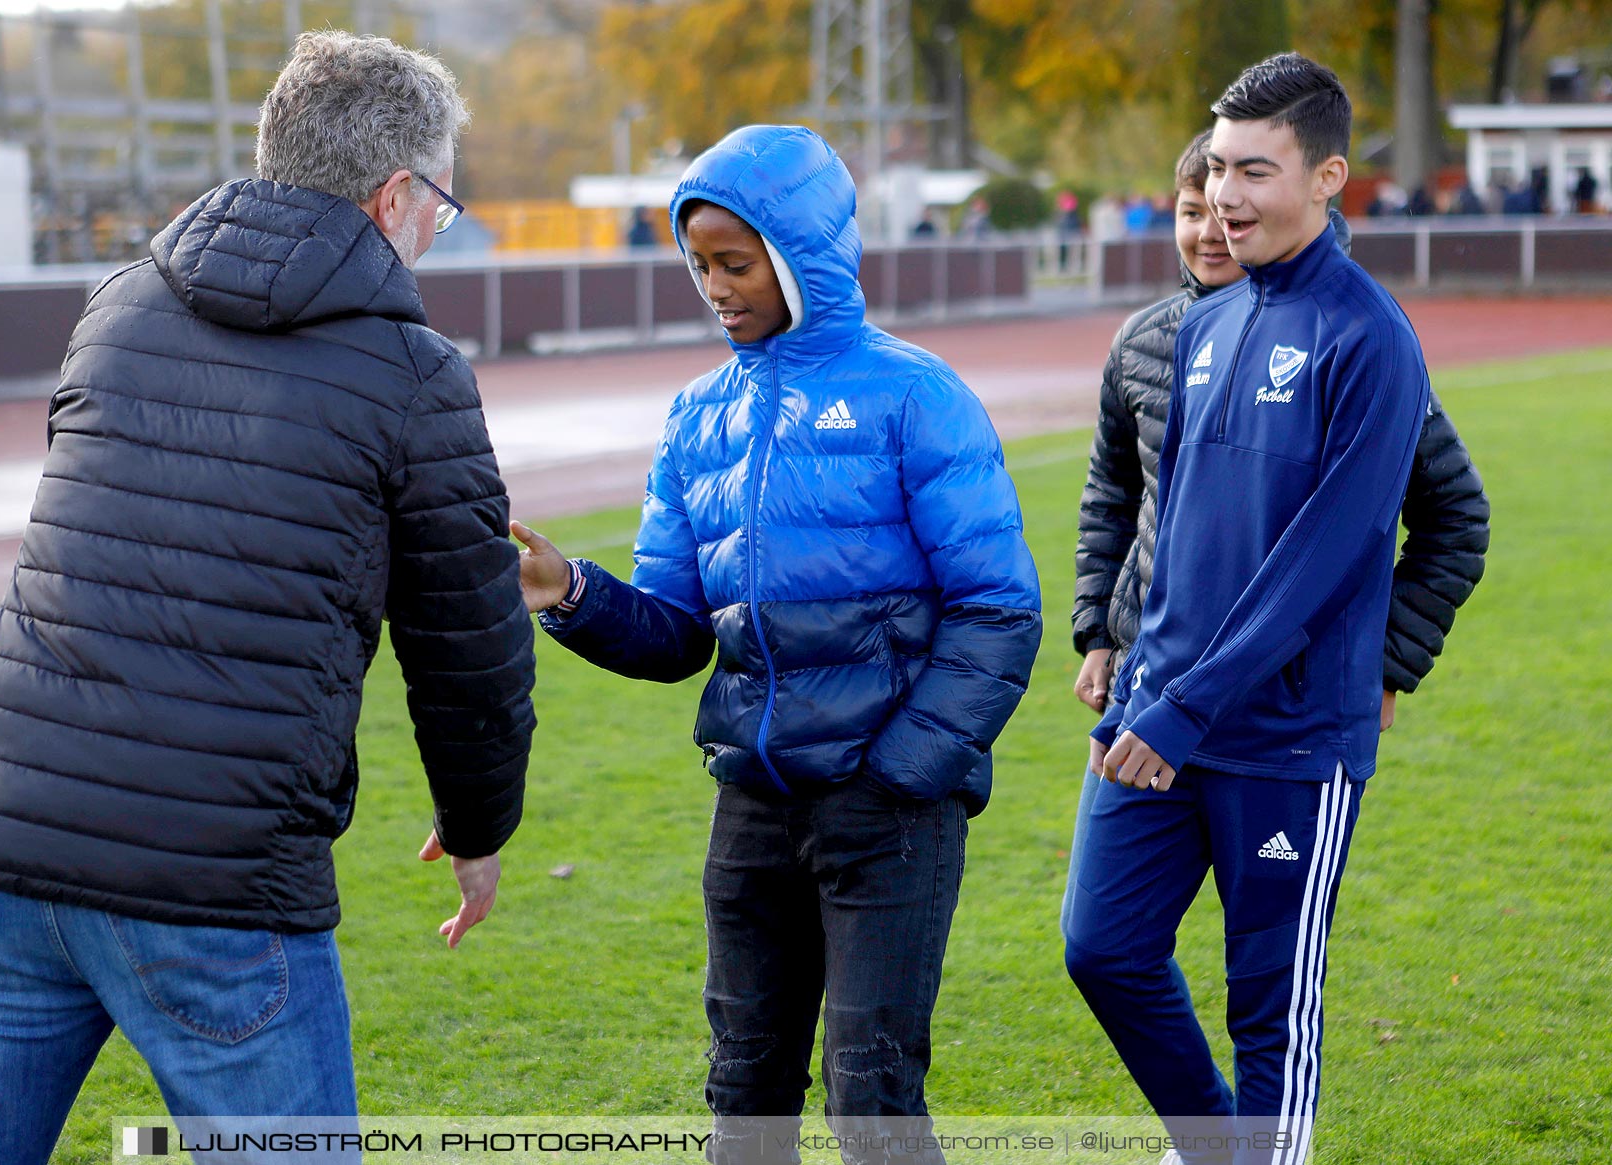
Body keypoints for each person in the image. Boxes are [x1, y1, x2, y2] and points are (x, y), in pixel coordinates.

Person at [0, 32, 536, 1165]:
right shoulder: (415, 374)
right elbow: (467, 638)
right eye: (443, 198)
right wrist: (481, 826)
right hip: (216, 879)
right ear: (396, 194)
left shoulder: (117, 306)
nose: (442, 225)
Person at [511, 125, 1042, 1164]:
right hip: (752, 809)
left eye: (736, 263)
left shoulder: (916, 395)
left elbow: (998, 609)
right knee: (744, 1094)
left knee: (871, 1101)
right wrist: (566, 591)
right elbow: (674, 634)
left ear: (805, 252)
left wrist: (899, 772)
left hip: (887, 811)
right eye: (699, 264)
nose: (715, 286)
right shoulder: (697, 418)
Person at [1063, 54, 1455, 1165]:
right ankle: (1220, 1148)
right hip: (1157, 719)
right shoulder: (1208, 322)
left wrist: (1182, 707)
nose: (1226, 197)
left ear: (1328, 176)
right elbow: (1175, 533)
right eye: (1219, 168)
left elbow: (1322, 560)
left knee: (1267, 1010)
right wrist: (1136, 686)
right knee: (1103, 948)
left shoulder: (1370, 338)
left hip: (1283, 738)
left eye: (1256, 171)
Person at [1063, 130, 1489, 933]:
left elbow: (1453, 514)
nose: (1210, 228)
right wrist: (1099, 630)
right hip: (1150, 688)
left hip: (1282, 709)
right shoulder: (1147, 343)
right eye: (1193, 208)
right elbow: (1116, 497)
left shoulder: (1357, 343)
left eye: (1231, 199)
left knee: (1266, 973)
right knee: (1101, 945)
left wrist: (1386, 658)